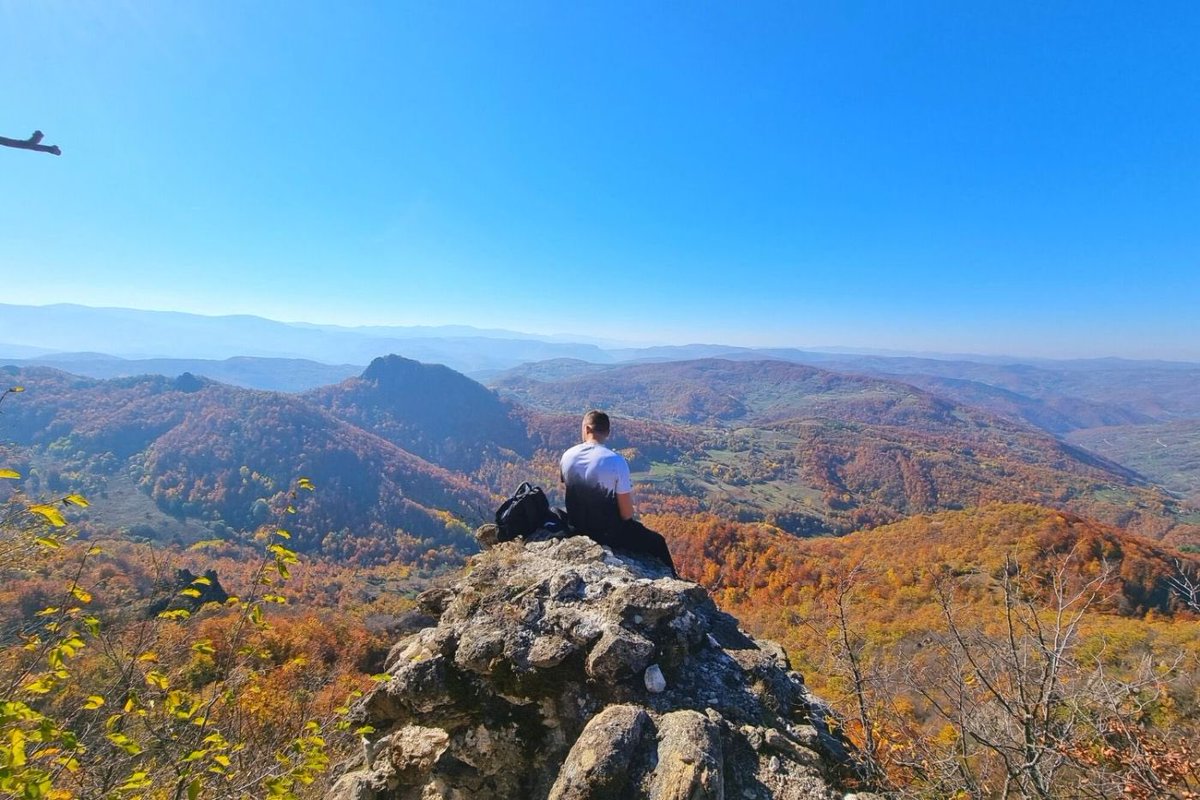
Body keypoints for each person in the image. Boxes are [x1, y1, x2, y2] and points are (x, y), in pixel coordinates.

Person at [559, 410, 677, 576]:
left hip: (575, 527)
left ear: (586, 429)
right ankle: (673, 579)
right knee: (658, 542)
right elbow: (626, 514)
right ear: (607, 432)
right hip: (608, 534)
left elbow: (572, 494)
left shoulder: (567, 456)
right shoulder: (615, 461)